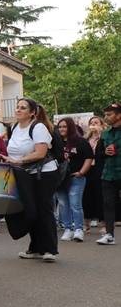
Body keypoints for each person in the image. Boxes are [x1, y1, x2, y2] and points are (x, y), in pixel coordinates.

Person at [1, 97, 61, 260]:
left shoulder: (38, 127)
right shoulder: (13, 127)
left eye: (23, 107)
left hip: (44, 172)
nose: (18, 110)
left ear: (33, 112)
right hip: (23, 173)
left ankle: (49, 249)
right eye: (17, 107)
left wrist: (17, 160)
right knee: (29, 209)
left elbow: (40, 153)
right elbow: (13, 151)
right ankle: (35, 247)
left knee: (43, 208)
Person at [55, 117, 93, 242]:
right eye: (60, 126)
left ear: (71, 127)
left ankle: (78, 229)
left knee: (75, 204)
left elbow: (88, 158)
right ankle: (67, 229)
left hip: (75, 177)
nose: (61, 129)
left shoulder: (81, 142)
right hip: (60, 178)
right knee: (63, 205)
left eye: (64, 126)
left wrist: (82, 172)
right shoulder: (56, 142)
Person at [96, 103, 121, 245]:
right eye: (105, 114)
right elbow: (97, 154)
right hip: (108, 174)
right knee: (108, 204)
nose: (106, 117)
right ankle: (109, 234)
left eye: (109, 114)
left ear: (118, 115)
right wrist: (105, 152)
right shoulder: (105, 133)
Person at [83, 116, 106, 231]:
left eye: (96, 122)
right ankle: (86, 224)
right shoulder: (86, 139)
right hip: (88, 169)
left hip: (100, 169)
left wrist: (101, 134)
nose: (93, 124)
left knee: (100, 196)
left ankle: (104, 225)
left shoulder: (104, 138)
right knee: (87, 196)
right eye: (91, 123)